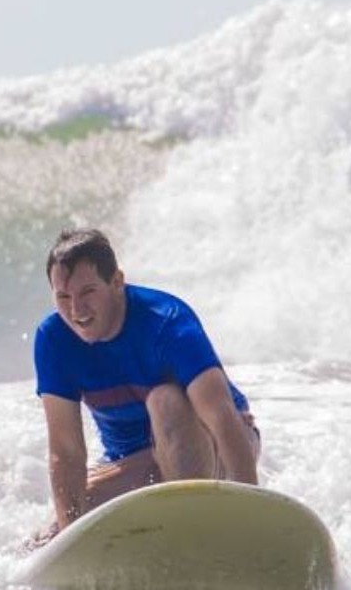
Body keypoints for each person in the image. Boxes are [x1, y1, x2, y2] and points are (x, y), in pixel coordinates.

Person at [33, 227, 259, 538]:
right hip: (136, 464)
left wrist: (250, 513)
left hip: (217, 446)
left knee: (164, 399)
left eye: (88, 292)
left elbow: (221, 418)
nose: (76, 310)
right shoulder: (53, 339)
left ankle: (196, 530)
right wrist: (70, 536)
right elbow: (66, 450)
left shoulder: (166, 321)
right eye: (63, 297)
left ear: (116, 282)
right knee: (55, 535)